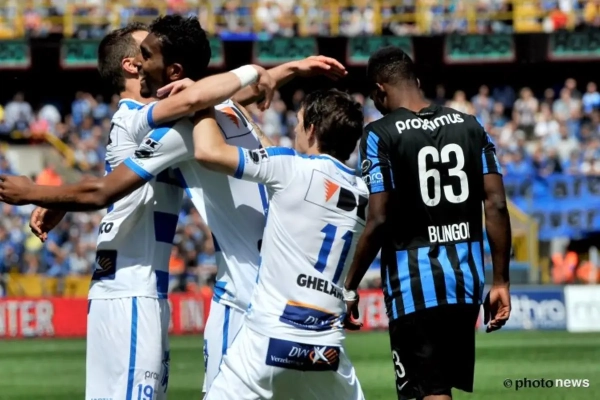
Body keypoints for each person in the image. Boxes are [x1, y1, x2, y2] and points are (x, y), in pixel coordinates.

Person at [0, 15, 347, 397]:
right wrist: (45, 193)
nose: (143, 59)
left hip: (251, 297)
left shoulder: (208, 114)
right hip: (199, 293)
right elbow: (107, 186)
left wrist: (286, 70)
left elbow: (221, 96)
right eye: (142, 51)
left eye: (150, 52)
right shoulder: (180, 120)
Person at [343, 46, 512, 400]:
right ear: (416, 81)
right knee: (432, 389)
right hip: (466, 281)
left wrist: (350, 285)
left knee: (428, 392)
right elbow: (496, 203)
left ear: (379, 90)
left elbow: (378, 217)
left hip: (415, 283)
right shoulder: (471, 125)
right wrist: (500, 280)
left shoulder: (378, 134)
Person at [191, 89, 366, 400]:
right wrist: (251, 123)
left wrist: (201, 102)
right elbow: (295, 172)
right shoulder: (363, 193)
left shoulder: (289, 168)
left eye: (299, 122)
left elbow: (207, 152)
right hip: (326, 351)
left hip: (266, 343)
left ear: (312, 130)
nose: (294, 129)